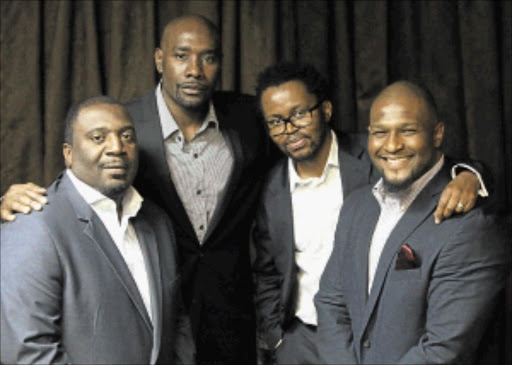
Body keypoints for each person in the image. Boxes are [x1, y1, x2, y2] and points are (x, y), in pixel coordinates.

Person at [0, 15, 273, 364]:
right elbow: (81, 180)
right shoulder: (123, 121)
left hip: (226, 317)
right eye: (181, 56)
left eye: (208, 57)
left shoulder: (248, 118)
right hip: (134, 315)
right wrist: (9, 205)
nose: (194, 70)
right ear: (160, 60)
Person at [251, 64, 488, 364]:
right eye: (276, 121)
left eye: (299, 114)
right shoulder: (270, 187)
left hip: (375, 338)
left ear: (325, 110)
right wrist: (276, 339)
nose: (289, 129)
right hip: (302, 339)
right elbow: (267, 269)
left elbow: (438, 165)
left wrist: (471, 176)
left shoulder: (379, 151)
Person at [314, 81, 510, 364]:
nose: (392, 145)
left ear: (437, 134)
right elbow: (331, 303)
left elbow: (443, 349)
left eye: (408, 130)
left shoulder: (471, 226)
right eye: (380, 132)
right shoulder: (356, 207)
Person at [1, 96, 194, 364]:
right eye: (97, 137)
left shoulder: (157, 222)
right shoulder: (33, 226)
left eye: (127, 136)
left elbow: (176, 321)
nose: (117, 147)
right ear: (68, 153)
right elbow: (27, 352)